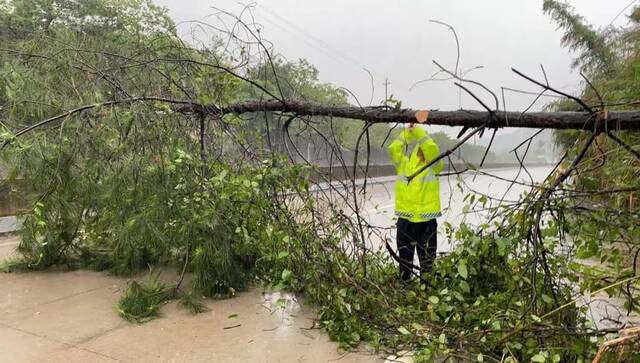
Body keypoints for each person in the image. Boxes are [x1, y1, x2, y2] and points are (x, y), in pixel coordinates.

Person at [387, 123, 443, 281]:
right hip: (406, 221)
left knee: (427, 265)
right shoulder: (403, 165)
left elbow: (431, 148)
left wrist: (418, 131)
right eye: (421, 149)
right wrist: (407, 132)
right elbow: (393, 149)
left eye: (425, 149)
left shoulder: (434, 167)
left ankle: (426, 293)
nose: (423, 152)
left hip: (426, 222)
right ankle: (405, 294)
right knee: (404, 265)